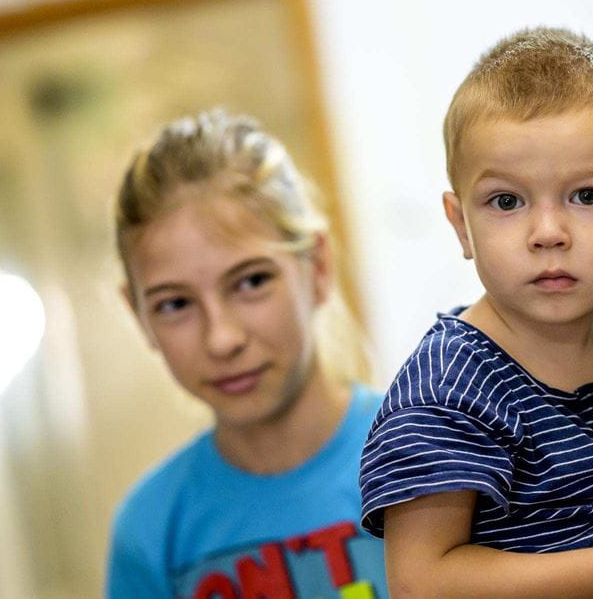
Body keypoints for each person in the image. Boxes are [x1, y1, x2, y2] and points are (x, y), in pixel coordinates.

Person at [359, 28, 593, 598]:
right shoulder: (447, 391)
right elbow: (421, 582)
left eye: (587, 196)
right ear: (462, 226)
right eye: (507, 202)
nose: (549, 233)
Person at [105, 110, 387, 598]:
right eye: (175, 304)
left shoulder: (435, 459)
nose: (221, 339)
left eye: (252, 281)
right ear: (139, 318)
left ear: (317, 267)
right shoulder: (152, 531)